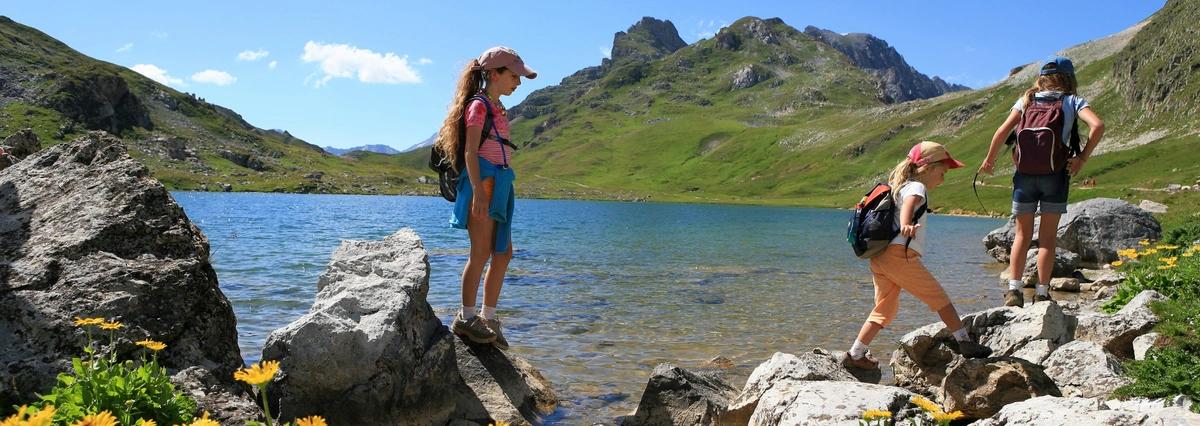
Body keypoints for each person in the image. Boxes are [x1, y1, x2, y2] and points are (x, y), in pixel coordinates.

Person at [844, 142, 993, 370]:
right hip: (899, 256)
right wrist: (906, 224)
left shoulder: (900, 186)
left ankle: (855, 353)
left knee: (885, 308)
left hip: (880, 258)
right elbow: (910, 206)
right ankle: (964, 342)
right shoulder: (916, 187)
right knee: (939, 298)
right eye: (942, 172)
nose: (942, 179)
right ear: (928, 168)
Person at [433, 46, 537, 349]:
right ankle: (465, 318)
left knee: (503, 253)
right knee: (480, 252)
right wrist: (478, 189)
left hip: (500, 184)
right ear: (494, 74)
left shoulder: (497, 107)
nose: (517, 82)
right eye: (514, 76)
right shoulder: (478, 106)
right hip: (484, 184)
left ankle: (489, 318)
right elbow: (470, 152)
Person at [979, 56, 1104, 307]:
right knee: (1047, 238)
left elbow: (1002, 131)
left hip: (1024, 176)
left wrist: (989, 161)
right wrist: (1081, 158)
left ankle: (1014, 291)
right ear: (1069, 79)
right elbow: (1097, 125)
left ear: (1042, 79)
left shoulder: (1026, 100)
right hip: (1055, 175)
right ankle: (1043, 293)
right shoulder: (1072, 101)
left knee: (1021, 236)